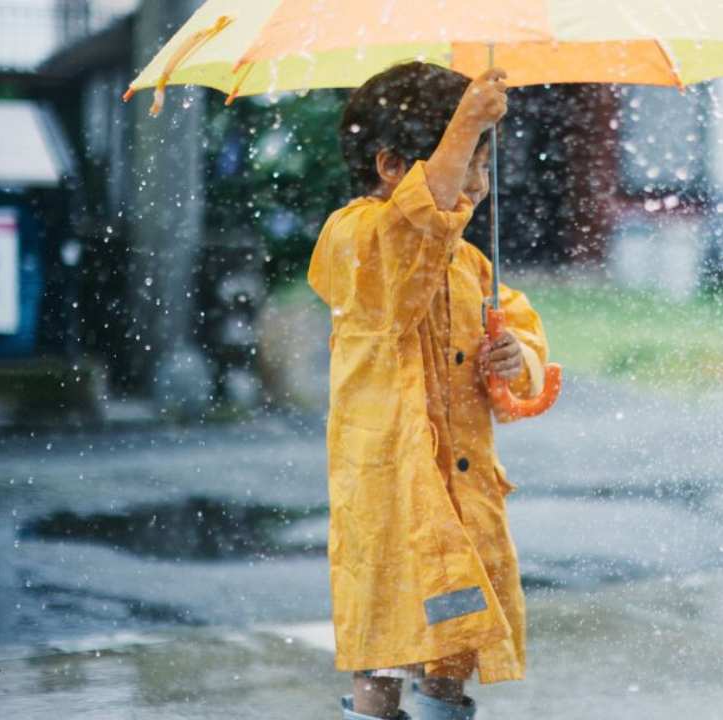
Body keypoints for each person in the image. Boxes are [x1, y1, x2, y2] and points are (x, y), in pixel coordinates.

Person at [307, 61, 549, 720]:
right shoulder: (354, 236)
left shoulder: (467, 262)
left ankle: (444, 705)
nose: (479, 183)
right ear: (391, 166)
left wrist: (515, 355)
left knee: (453, 639)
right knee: (384, 639)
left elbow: (524, 336)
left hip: (458, 494)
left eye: (484, 165)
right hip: (391, 493)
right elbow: (414, 229)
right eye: (469, 162)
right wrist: (468, 119)